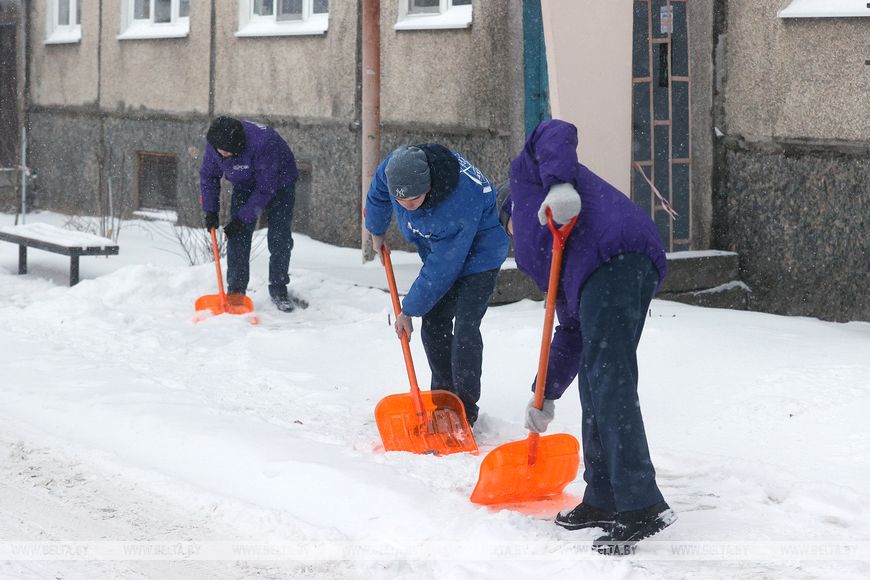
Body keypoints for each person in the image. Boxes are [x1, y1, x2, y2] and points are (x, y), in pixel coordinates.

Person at [502, 119, 675, 552]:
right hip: (617, 266)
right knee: (596, 381)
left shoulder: (526, 181)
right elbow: (572, 329)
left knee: (610, 380)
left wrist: (559, 185)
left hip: (615, 256)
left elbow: (554, 129)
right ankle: (603, 497)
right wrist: (545, 393)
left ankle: (641, 506)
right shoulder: (555, 250)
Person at [365, 144, 509, 427]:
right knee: (433, 323)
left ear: (428, 186)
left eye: (414, 199)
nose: (406, 206)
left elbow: (443, 267)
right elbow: (379, 192)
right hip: (445, 252)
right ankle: (444, 398)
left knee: (466, 326)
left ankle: (464, 407)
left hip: (481, 254)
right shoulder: (396, 168)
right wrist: (377, 229)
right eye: (401, 200)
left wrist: (407, 309)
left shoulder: (456, 202)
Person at [200, 116, 304, 312]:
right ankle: (236, 292)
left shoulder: (263, 143)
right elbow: (208, 176)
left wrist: (242, 218)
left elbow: (266, 187)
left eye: (226, 152)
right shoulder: (216, 146)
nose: (221, 155)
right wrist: (210, 210)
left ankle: (279, 289)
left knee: (279, 237)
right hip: (245, 184)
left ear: (237, 145)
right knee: (237, 237)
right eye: (218, 151)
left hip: (280, 183)